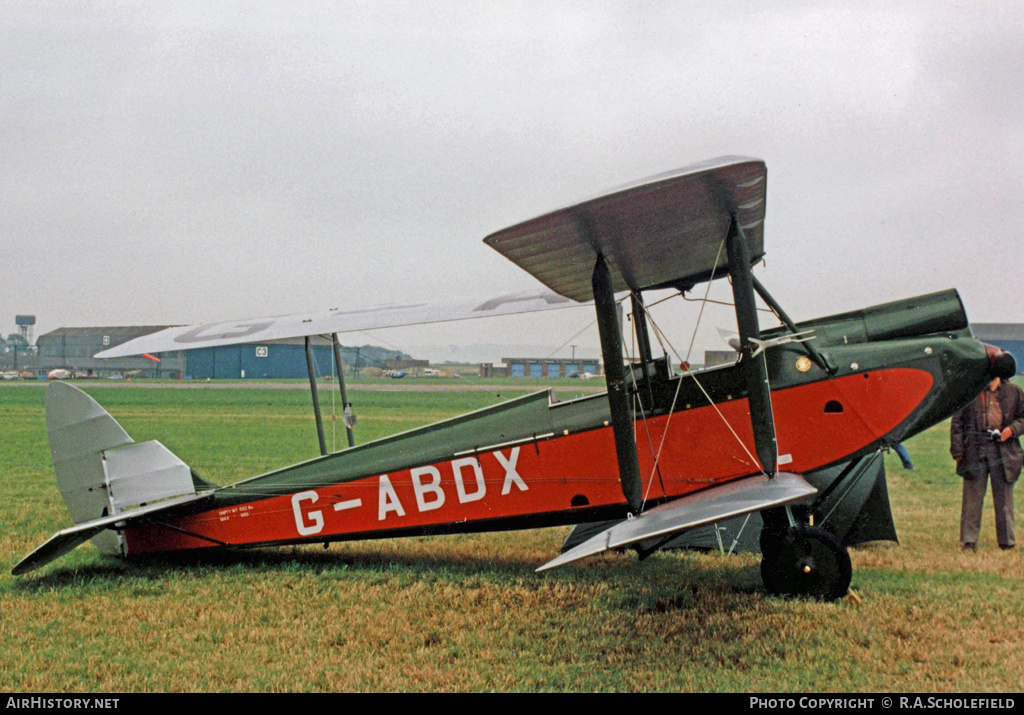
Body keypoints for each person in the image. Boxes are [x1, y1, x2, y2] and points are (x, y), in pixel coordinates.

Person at [950, 376, 1024, 551]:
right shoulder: (970, 391)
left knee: (1004, 497)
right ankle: (969, 541)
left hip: (1004, 450)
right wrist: (958, 451)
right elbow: (957, 422)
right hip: (975, 450)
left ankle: (1007, 542)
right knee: (972, 497)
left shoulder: (1014, 392)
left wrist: (1011, 430)